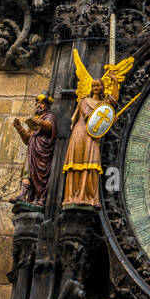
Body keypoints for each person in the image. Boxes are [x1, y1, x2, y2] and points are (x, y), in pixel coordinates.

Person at [62, 77, 117, 207]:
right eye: (94, 86)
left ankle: (89, 197)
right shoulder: (84, 101)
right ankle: (73, 196)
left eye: (98, 86)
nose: (96, 88)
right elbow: (89, 117)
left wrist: (114, 82)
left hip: (92, 137)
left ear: (102, 88)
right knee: (76, 162)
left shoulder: (102, 105)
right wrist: (107, 118)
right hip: (81, 132)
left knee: (92, 164)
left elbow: (114, 101)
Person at [13, 93, 57, 206]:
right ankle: (22, 196)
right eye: (37, 103)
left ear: (46, 105)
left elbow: (50, 127)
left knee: (40, 175)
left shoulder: (49, 116)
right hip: (32, 150)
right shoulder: (35, 119)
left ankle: (40, 198)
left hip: (42, 151)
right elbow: (27, 139)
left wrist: (41, 122)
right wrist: (19, 129)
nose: (38, 105)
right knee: (27, 172)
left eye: (41, 103)